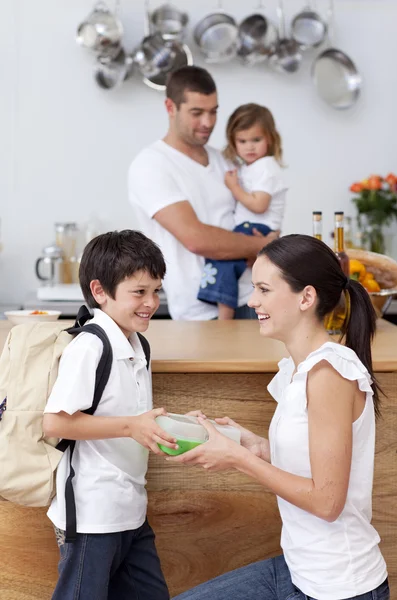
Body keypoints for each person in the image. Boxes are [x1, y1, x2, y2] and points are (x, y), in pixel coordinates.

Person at [169, 234, 389, 600]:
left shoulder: (329, 374)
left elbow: (326, 502)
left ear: (306, 297)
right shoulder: (299, 369)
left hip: (338, 587)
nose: (252, 300)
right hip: (300, 571)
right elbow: (312, 460)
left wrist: (239, 460)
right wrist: (252, 445)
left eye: (264, 289)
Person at [42, 230, 178, 600]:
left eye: (156, 290)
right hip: (93, 514)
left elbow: (128, 414)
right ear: (100, 291)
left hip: (131, 510)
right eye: (139, 292)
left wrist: (163, 423)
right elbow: (54, 421)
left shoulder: (137, 343)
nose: (151, 302)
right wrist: (133, 426)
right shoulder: (90, 346)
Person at [128, 66, 277, 321]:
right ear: (170, 107)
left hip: (253, 299)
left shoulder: (225, 161)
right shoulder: (151, 165)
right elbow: (196, 239)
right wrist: (267, 245)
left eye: (213, 111)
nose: (208, 122)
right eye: (197, 113)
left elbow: (256, 214)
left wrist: (264, 239)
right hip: (199, 312)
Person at [198, 103, 288, 319]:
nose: (249, 147)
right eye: (242, 141)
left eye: (256, 140)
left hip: (256, 228)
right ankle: (225, 311)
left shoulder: (266, 166)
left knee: (223, 261)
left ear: (270, 139)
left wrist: (234, 187)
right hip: (252, 228)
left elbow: (259, 204)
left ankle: (224, 318)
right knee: (226, 266)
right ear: (233, 142)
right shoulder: (250, 167)